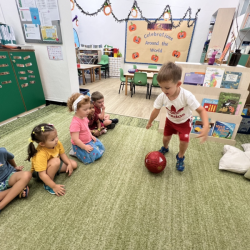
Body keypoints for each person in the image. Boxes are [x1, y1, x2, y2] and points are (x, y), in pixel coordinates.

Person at [146, 62, 209, 172]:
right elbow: (156, 110)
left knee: (184, 141)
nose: (163, 91)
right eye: (161, 87)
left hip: (184, 122)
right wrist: (150, 121)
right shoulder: (162, 96)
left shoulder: (187, 96)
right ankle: (165, 148)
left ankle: (180, 157)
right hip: (170, 121)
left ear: (178, 84)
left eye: (167, 88)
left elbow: (201, 110)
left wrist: (206, 125)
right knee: (165, 138)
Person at [27, 123, 77, 196]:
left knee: (73, 164)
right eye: (53, 139)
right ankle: (47, 185)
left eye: (56, 136)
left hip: (53, 164)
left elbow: (62, 154)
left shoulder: (57, 143)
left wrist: (69, 164)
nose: (57, 139)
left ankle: (53, 171)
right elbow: (42, 175)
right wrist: (54, 186)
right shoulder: (40, 154)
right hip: (39, 173)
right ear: (42, 144)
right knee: (56, 161)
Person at [67, 93, 105, 164]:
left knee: (100, 147)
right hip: (80, 144)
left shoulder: (84, 117)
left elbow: (86, 129)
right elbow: (75, 139)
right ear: (76, 109)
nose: (88, 111)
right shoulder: (75, 123)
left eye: (89, 108)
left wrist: (91, 136)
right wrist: (84, 147)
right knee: (95, 155)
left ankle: (79, 150)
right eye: (85, 109)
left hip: (88, 140)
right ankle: (74, 151)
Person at [0, 148, 32, 212]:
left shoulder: (1, 151)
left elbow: (9, 158)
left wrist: (15, 167)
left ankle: (1, 205)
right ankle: (18, 190)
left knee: (26, 175)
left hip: (9, 176)